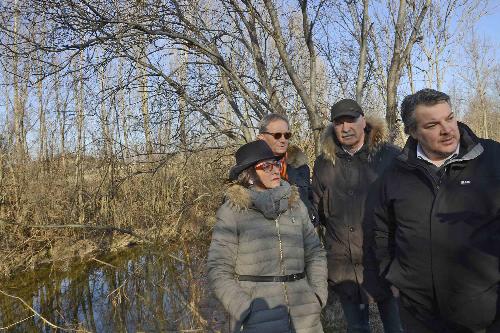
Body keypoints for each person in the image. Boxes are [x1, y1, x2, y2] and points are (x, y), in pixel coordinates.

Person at [366, 88, 500, 332]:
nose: (448, 129)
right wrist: (393, 279)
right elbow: (379, 232)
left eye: (449, 118)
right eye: (432, 125)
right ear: (413, 131)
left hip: (485, 312)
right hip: (418, 314)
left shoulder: (493, 159)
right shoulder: (393, 176)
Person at [207, 140, 328, 333]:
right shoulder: (232, 212)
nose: (274, 170)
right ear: (249, 175)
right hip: (257, 317)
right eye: (266, 166)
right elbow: (218, 268)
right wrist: (243, 308)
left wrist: (317, 295)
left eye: (276, 164)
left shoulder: (295, 205)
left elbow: (315, 253)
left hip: (304, 313)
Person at [311, 99, 403, 332]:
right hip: (344, 268)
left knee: (397, 328)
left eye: (351, 120)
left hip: (386, 265)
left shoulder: (391, 157)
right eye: (339, 123)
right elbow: (316, 210)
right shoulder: (323, 163)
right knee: (357, 329)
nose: (345, 128)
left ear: (364, 122)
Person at [257, 113, 319, 226]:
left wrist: (312, 214)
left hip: (299, 236)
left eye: (287, 135)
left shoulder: (300, 167)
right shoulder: (249, 169)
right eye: (277, 135)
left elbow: (309, 197)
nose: (283, 140)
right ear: (261, 137)